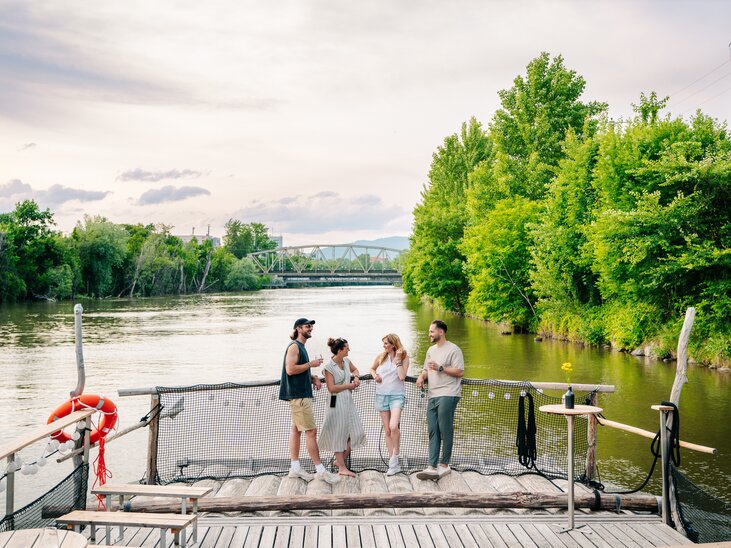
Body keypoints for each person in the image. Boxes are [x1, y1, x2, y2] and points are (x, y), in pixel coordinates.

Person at [279, 318, 340, 484]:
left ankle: (295, 468)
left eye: (311, 326)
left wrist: (312, 377)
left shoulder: (301, 347)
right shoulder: (294, 347)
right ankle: (320, 470)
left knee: (296, 431)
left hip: (300, 394)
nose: (310, 328)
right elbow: (290, 369)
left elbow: (298, 369)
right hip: (298, 396)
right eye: (307, 326)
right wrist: (310, 364)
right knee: (311, 432)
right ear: (299, 328)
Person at [415, 320, 464, 480]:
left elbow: (460, 371)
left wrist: (441, 368)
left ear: (441, 332)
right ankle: (431, 466)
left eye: (431, 332)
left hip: (449, 393)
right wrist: (421, 377)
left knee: (445, 428)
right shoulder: (430, 350)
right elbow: (426, 369)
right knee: (433, 430)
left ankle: (444, 464)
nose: (429, 334)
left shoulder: (454, 349)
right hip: (432, 394)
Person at [318, 337, 367, 476]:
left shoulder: (346, 361)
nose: (349, 350)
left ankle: (339, 461)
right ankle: (342, 468)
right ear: (340, 350)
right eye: (347, 348)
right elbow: (331, 388)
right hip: (335, 401)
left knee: (356, 433)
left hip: (347, 401)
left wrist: (356, 377)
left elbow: (355, 369)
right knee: (338, 433)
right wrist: (349, 385)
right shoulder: (328, 367)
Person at [369, 333, 409, 476]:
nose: (384, 346)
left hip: (397, 395)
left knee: (393, 426)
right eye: (384, 343)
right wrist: (375, 376)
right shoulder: (381, 356)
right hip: (381, 395)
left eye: (386, 343)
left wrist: (398, 360)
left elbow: (402, 376)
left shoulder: (404, 357)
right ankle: (393, 465)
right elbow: (372, 369)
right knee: (387, 430)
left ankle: (395, 457)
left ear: (393, 344)